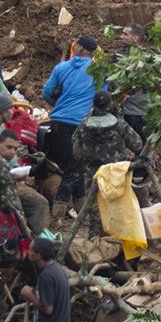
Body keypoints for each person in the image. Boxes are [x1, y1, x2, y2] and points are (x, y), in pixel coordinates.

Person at [42, 35, 99, 210]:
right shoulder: (98, 70)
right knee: (74, 169)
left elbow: (46, 93)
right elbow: (101, 98)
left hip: (57, 122)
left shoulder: (62, 67)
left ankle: (81, 209)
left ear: (80, 49)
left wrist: (59, 106)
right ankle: (58, 213)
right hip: (80, 124)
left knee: (76, 167)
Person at [76, 92, 144, 231]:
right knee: (120, 208)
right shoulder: (119, 124)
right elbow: (137, 144)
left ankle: (95, 239)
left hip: (94, 176)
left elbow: (77, 153)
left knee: (95, 213)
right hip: (117, 175)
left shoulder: (83, 126)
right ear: (109, 105)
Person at [115, 24, 150, 138]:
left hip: (142, 112)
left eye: (125, 34)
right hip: (125, 110)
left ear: (135, 39)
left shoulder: (150, 57)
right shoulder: (118, 55)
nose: (121, 37)